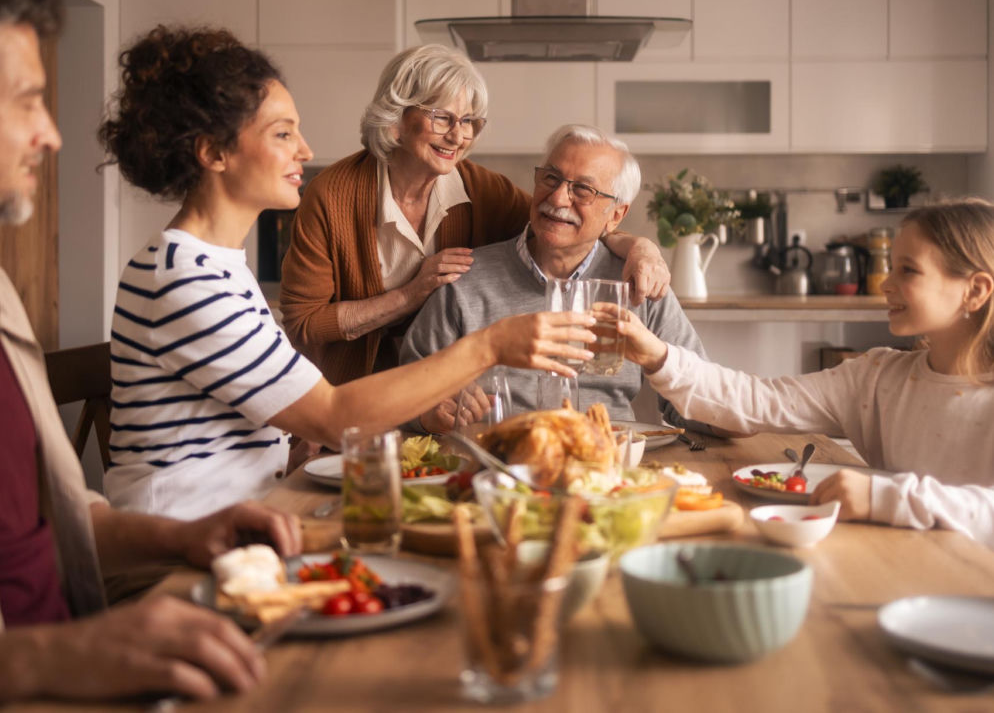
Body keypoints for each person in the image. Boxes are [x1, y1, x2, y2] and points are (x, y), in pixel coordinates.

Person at [99, 27, 595, 522]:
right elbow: (333, 415)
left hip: (244, 513)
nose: (305, 150)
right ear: (214, 153)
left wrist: (626, 243)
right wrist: (491, 346)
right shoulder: (188, 281)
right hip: (182, 537)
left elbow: (561, 221)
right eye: (283, 133)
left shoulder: (214, 267)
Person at [0, 0, 304, 704]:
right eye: (25, 100)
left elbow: (51, 525)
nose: (52, 134)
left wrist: (183, 537)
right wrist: (50, 657)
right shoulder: (177, 270)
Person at [278, 44, 668, 388]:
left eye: (468, 121)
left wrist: (642, 248)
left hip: (437, 395)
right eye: (442, 118)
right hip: (348, 393)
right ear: (396, 119)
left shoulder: (482, 190)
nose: (458, 136)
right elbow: (303, 323)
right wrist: (410, 294)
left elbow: (563, 219)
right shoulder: (332, 195)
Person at [617, 198, 994, 548]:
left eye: (908, 270)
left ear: (975, 290)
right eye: (892, 267)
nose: (886, 284)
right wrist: (657, 356)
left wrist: (887, 497)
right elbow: (758, 400)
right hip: (899, 560)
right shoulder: (877, 376)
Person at [400, 124, 710, 431]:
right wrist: (430, 412)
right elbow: (403, 393)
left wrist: (730, 413)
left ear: (616, 215)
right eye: (551, 178)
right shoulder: (463, 279)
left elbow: (701, 402)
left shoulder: (638, 284)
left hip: (609, 458)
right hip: (495, 457)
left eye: (583, 190)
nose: (559, 198)